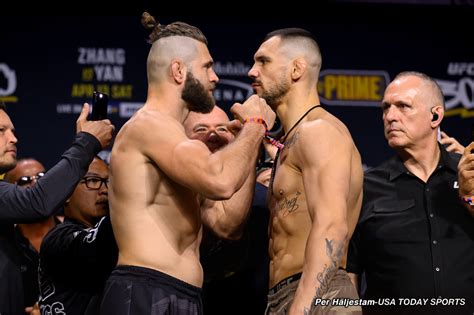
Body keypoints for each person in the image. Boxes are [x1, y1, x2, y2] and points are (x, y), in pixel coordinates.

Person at [100, 13, 275, 315]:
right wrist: (256, 125)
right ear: (178, 71)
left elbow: (225, 223)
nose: (215, 78)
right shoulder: (148, 127)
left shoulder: (174, 141)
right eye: (207, 67)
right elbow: (220, 181)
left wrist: (245, 142)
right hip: (145, 292)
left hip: (181, 293)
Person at [248, 28, 363, 314]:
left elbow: (332, 227)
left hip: (318, 293)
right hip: (288, 294)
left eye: (263, 61)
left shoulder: (320, 131)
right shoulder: (293, 139)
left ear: (296, 69)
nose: (252, 71)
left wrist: (301, 307)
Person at [347, 71, 474, 314]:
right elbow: (350, 270)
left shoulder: (469, 173)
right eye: (386, 108)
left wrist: (470, 198)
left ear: (435, 116)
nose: (390, 117)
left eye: (403, 106)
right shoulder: (365, 187)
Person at [0, 101, 114, 314]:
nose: (13, 139)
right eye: (1, 131)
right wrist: (87, 142)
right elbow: (38, 201)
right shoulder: (59, 238)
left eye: (12, 131)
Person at [184, 105, 271, 315]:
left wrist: (248, 140)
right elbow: (227, 227)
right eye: (201, 129)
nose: (213, 135)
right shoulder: (178, 190)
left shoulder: (264, 199)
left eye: (223, 129)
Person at [39, 156, 117, 315]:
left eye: (108, 182)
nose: (105, 190)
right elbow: (99, 243)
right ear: (65, 193)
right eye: (93, 181)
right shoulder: (57, 238)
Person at [4, 158, 59, 312]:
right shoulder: (5, 247)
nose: (36, 184)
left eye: (42, 177)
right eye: (24, 181)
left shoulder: (74, 234)